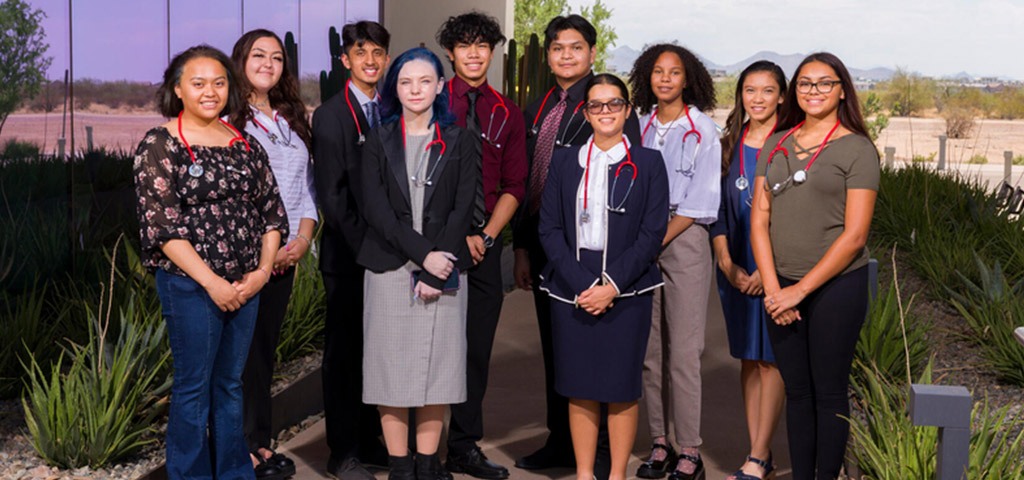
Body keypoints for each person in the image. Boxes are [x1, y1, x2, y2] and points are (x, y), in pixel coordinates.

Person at [134, 44, 288, 480]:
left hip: (246, 285)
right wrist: (212, 283)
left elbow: (272, 215)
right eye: (198, 83)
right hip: (191, 286)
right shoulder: (160, 144)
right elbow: (162, 228)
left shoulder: (244, 143)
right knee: (193, 388)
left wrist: (260, 274)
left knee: (230, 385)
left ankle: (235, 473)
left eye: (219, 83)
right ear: (178, 89)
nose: (210, 91)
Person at [512, 15, 640, 475]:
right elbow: (527, 179)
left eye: (575, 47)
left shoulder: (606, 102)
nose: (566, 55)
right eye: (557, 48)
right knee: (558, 350)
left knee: (600, 350)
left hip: (596, 252)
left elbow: (629, 182)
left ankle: (602, 450)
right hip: (547, 247)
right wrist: (522, 247)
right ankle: (562, 442)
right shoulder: (539, 107)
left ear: (592, 52)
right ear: (548, 55)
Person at [750, 52, 879, 480]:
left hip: (835, 288)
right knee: (798, 392)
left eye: (825, 83)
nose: (814, 91)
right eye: (805, 83)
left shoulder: (857, 149)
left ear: (842, 90)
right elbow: (759, 221)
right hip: (781, 287)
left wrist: (799, 292)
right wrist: (774, 291)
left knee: (828, 392)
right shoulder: (776, 143)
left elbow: (855, 236)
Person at [538, 73, 669, 480]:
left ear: (627, 110)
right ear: (586, 112)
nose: (606, 111)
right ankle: (583, 473)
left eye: (615, 103)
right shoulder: (564, 161)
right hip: (572, 286)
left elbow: (652, 233)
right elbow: (549, 228)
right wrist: (583, 284)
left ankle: (616, 475)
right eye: (597, 105)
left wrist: (611, 286)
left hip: (627, 289)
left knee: (621, 387)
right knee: (579, 386)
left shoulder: (649, 163)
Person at [357, 47, 478, 480]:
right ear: (395, 87)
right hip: (391, 268)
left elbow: (463, 208)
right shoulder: (378, 139)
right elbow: (376, 210)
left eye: (425, 81)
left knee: (438, 369)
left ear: (440, 86)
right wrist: (422, 255)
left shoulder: (460, 139)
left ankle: (428, 464)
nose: (415, 90)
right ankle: (399, 466)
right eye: (405, 82)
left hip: (444, 266)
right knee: (390, 370)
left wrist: (434, 267)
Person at [435, 12, 527, 480]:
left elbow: (515, 184)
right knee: (429, 348)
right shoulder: (430, 100)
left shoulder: (507, 112)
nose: (473, 54)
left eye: (482, 45)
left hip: (484, 248)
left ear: (492, 52)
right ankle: (419, 451)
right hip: (434, 246)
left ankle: (464, 445)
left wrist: (487, 235)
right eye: (464, 45)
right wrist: (456, 236)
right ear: (450, 53)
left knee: (475, 352)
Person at [228, 28, 317, 480]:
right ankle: (238, 452)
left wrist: (302, 241)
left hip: (285, 257)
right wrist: (267, 252)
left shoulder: (289, 119)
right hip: (245, 259)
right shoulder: (229, 120)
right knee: (238, 358)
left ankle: (258, 444)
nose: (268, 63)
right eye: (258, 55)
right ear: (241, 61)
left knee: (262, 354)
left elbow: (306, 189)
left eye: (277, 57)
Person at [628, 44, 720, 480]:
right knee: (650, 352)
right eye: (658, 71)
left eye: (675, 72)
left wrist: (652, 241)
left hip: (684, 238)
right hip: (644, 239)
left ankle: (689, 449)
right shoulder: (640, 125)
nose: (665, 79)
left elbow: (701, 201)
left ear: (688, 79)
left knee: (683, 351)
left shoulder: (703, 130)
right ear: (648, 77)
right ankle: (659, 442)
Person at [311, 20, 391, 480]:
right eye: (361, 53)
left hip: (388, 255)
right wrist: (370, 250)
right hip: (349, 257)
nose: (370, 60)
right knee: (343, 356)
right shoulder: (331, 115)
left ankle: (368, 439)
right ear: (345, 60)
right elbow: (334, 197)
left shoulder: (391, 107)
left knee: (374, 352)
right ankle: (342, 452)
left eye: (377, 52)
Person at [712, 60, 787, 480]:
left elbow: (794, 216)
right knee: (748, 357)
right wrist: (726, 262)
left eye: (767, 90)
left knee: (770, 361)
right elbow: (716, 211)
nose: (758, 99)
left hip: (777, 268)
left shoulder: (791, 145)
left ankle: (757, 457)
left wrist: (768, 269)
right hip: (735, 268)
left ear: (782, 97)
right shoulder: (727, 144)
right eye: (750, 90)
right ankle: (760, 451)